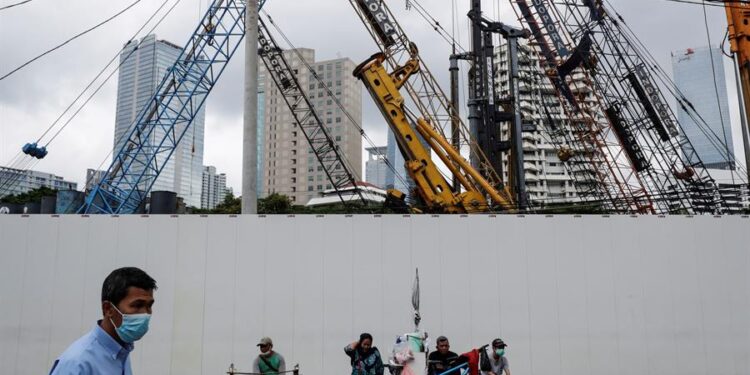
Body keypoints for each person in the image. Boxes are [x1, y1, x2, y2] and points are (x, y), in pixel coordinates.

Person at [49, 267, 157, 375]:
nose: (145, 313)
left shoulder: (121, 351)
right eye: (137, 305)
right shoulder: (77, 364)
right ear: (108, 309)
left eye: (149, 305)